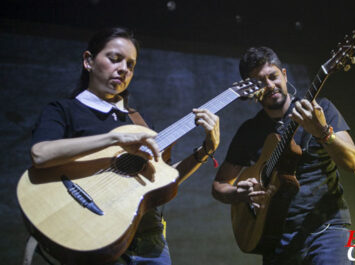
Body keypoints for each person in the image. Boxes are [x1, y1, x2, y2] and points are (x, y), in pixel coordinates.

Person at [28, 27, 220, 265]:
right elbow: (40, 154)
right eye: (115, 59)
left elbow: (162, 181)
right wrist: (114, 139)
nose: (123, 69)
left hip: (150, 243)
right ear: (88, 61)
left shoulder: (137, 122)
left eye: (130, 65)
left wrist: (205, 151)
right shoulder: (64, 110)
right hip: (93, 236)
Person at [212, 46, 355, 265]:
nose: (270, 85)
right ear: (252, 90)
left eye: (273, 76)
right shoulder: (249, 131)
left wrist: (322, 132)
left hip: (329, 227)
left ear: (284, 74)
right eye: (261, 82)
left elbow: (353, 163)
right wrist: (239, 193)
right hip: (275, 237)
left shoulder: (321, 109)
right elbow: (220, 185)